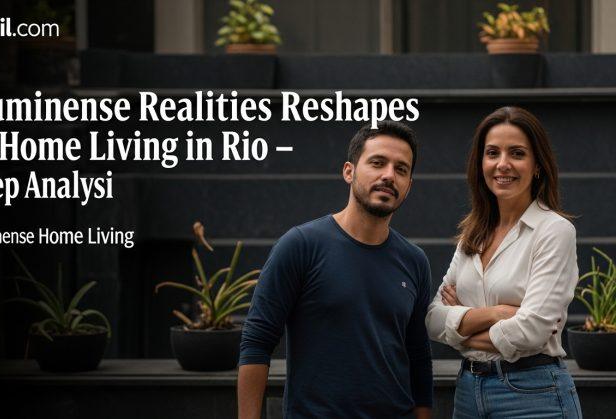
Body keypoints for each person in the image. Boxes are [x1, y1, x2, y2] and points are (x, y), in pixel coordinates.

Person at [237, 121, 433, 419]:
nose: (389, 175)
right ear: (349, 171)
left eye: (401, 169)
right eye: (377, 163)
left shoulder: (414, 260)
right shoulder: (300, 245)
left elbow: (419, 355)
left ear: (409, 186)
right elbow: (257, 341)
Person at [426, 106, 582, 418]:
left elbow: (532, 331)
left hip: (533, 396)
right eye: (492, 152)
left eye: (517, 153)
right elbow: (432, 319)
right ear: (480, 163)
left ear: (537, 165)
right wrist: (497, 313)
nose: (503, 164)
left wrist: (460, 330)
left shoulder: (554, 231)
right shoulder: (473, 234)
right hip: (469, 392)